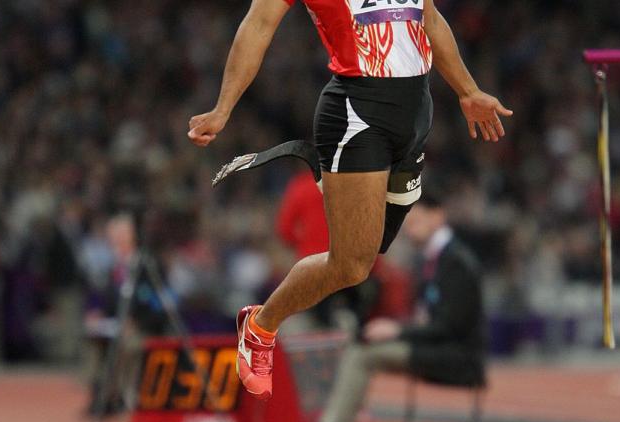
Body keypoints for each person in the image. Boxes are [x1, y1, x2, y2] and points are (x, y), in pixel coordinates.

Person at [188, 0, 511, 400]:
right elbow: (257, 26)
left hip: (415, 113)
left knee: (374, 250)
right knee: (352, 265)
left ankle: (334, 188)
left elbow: (429, 17)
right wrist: (224, 108)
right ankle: (260, 326)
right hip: (359, 115)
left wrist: (469, 90)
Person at [292, 190, 484, 422]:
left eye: (415, 222)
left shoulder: (456, 262)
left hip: (457, 356)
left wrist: (397, 331)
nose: (409, 229)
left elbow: (449, 326)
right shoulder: (432, 258)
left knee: (363, 354)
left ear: (437, 216)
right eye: (408, 223)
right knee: (362, 345)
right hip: (434, 346)